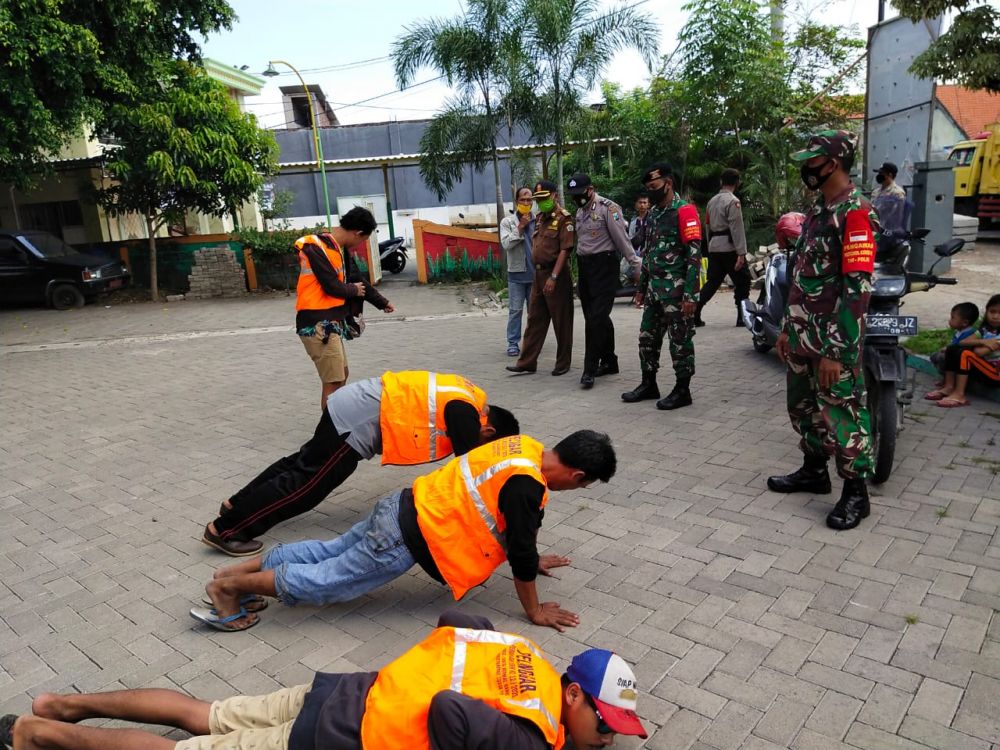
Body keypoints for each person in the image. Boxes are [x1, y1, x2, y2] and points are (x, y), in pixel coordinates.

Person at [5, 610, 648, 750]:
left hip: (346, 692)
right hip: (334, 739)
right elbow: (452, 712)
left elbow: (460, 622)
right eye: (606, 723)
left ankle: (62, 704)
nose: (608, 740)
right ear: (574, 696)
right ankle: (35, 737)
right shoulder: (532, 741)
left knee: (205, 713)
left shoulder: (525, 654)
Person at [191, 431, 616, 632]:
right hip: (403, 538)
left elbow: (508, 526)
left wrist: (532, 556)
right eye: (582, 484)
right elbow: (520, 550)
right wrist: (534, 611)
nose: (573, 489)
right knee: (325, 582)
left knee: (325, 552)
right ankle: (227, 594)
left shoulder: (522, 446)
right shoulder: (529, 486)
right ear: (578, 475)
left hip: (399, 506)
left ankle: (233, 574)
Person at [202, 371, 519, 556]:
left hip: (350, 406)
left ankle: (235, 505)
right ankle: (227, 530)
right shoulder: (466, 412)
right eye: (486, 443)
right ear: (488, 430)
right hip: (354, 423)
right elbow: (468, 469)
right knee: (306, 486)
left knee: (299, 464)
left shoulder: (470, 397)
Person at [768, 130, 878, 531]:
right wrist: (785, 328)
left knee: (844, 415)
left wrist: (837, 350)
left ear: (833, 162)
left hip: (832, 340)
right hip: (801, 336)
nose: (806, 167)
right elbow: (800, 277)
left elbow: (857, 289)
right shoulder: (818, 211)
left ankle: (855, 495)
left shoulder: (856, 212)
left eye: (812, 160)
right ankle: (814, 470)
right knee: (803, 409)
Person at [294, 207, 395, 411]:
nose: (360, 244)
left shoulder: (339, 250)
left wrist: (381, 302)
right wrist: (353, 290)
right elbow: (332, 286)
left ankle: (336, 424)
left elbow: (358, 280)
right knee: (333, 382)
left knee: (341, 375)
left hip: (330, 323)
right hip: (317, 325)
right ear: (357, 233)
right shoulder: (316, 248)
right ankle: (330, 433)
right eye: (363, 239)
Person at [621, 162, 702, 411]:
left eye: (654, 187)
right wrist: (641, 288)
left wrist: (691, 294)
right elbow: (648, 254)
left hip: (677, 293)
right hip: (655, 291)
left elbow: (694, 255)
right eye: (647, 188)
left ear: (668, 183)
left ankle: (683, 389)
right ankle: (648, 383)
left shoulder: (685, 211)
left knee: (680, 341)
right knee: (647, 338)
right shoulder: (654, 214)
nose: (650, 192)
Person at [566, 173, 641, 390]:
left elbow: (622, 240)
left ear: (591, 189)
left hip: (605, 267)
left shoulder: (608, 209)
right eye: (573, 195)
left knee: (595, 320)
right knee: (596, 316)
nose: (577, 198)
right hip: (586, 268)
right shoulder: (580, 211)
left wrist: (635, 266)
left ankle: (589, 369)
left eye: (580, 194)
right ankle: (610, 361)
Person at [506, 181, 575, 377]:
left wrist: (553, 276)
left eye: (544, 197)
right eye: (539, 199)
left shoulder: (564, 218)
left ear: (554, 195)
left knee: (561, 321)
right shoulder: (539, 218)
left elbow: (565, 250)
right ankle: (527, 362)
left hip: (556, 275)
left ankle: (563, 362)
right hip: (537, 275)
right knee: (535, 319)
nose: (541, 201)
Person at [696, 168, 751, 327]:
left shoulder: (711, 202)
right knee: (743, 281)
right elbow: (736, 228)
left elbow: (707, 226)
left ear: (721, 182)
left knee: (712, 282)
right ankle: (742, 316)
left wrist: (710, 245)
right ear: (737, 183)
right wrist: (741, 253)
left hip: (715, 247)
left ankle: (696, 311)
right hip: (730, 248)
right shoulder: (733, 201)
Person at [925, 294, 1000, 407]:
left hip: (995, 374)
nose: (995, 316)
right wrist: (983, 342)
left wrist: (977, 344)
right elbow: (963, 342)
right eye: (992, 311)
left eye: (999, 313)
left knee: (966, 354)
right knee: (952, 348)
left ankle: (959, 395)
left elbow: (978, 353)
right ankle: (949, 387)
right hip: (982, 368)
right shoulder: (984, 330)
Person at [499, 187, 536, 358]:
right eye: (523, 200)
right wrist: (520, 227)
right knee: (515, 311)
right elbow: (506, 244)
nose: (527, 203)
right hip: (516, 275)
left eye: (529, 200)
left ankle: (532, 343)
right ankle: (513, 343)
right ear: (517, 202)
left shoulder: (539, 221)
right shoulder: (507, 222)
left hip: (536, 275)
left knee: (534, 312)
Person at [929, 301, 980, 373]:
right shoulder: (958, 331)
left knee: (941, 358)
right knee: (934, 356)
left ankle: (947, 378)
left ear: (965, 323)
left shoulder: (970, 334)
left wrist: (947, 349)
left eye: (953, 318)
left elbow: (960, 348)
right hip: (952, 355)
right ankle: (945, 378)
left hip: (959, 359)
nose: (949, 320)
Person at [871, 161, 909, 238]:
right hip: (874, 230)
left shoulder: (897, 193)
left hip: (887, 234)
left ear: (890, 175)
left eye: (882, 173)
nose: (879, 176)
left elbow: (898, 217)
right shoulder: (876, 192)